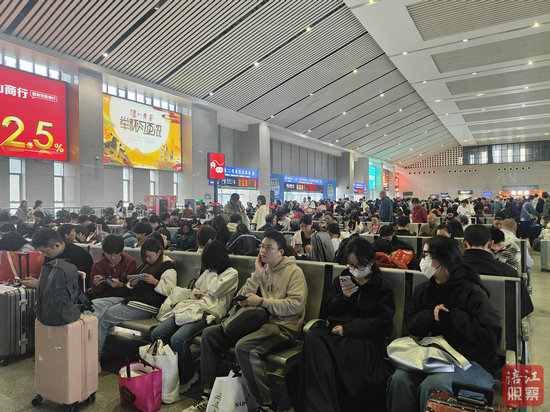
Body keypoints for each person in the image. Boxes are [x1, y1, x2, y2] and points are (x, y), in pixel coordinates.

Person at [185, 231, 307, 412]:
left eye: (269, 247)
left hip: (283, 327)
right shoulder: (263, 270)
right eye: (262, 246)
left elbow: (295, 306)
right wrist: (256, 275)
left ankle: (266, 404)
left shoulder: (294, 272)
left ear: (280, 252)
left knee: (244, 347)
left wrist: (262, 302)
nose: (263, 251)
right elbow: (239, 297)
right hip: (258, 324)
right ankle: (207, 395)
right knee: (210, 335)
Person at [387, 236, 501, 412]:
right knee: (400, 380)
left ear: (444, 259)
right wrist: (430, 316)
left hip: (473, 361)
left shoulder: (471, 292)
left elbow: (491, 339)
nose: (422, 261)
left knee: (434, 386)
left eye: (426, 255)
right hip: (435, 357)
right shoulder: (424, 291)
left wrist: (454, 316)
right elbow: (409, 325)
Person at [292, 237, 394, 412]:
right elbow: (328, 311)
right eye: (351, 265)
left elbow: (382, 323)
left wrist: (349, 329)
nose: (354, 269)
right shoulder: (343, 280)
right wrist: (343, 298)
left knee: (321, 358)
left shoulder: (381, 287)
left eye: (359, 265)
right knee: (314, 338)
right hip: (336, 333)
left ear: (370, 263)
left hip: (363, 338)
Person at [151, 240, 238, 393]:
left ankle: (188, 375)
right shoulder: (208, 272)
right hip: (191, 309)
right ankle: (172, 370)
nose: (207, 264)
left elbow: (215, 290)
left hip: (209, 314)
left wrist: (212, 273)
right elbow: (196, 289)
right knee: (157, 333)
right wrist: (197, 293)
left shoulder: (231, 274)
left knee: (178, 339)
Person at [95, 238, 176, 356]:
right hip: (133, 299)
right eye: (144, 256)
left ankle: (94, 356)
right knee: (94, 305)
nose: (147, 259)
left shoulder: (168, 267)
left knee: (105, 317)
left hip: (148, 305)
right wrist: (132, 284)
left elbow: (171, 292)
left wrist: (155, 282)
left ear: (159, 252)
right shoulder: (146, 265)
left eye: (149, 256)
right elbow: (130, 289)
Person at [461, 225, 533, 318]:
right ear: (490, 244)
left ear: (464, 243)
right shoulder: (508, 273)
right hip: (499, 325)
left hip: (457, 324)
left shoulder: (449, 269)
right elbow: (524, 309)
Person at [25, 228, 93, 289]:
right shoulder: (51, 254)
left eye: (45, 251)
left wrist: (40, 284)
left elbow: (74, 286)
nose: (44, 254)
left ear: (56, 245)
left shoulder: (78, 257)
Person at [89, 235, 137, 317]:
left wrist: (120, 285)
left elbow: (133, 288)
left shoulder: (130, 262)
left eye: (116, 255)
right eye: (109, 255)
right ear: (104, 252)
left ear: (121, 251)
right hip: (103, 298)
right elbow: (95, 292)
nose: (112, 258)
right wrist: (95, 284)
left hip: (123, 298)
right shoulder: (98, 266)